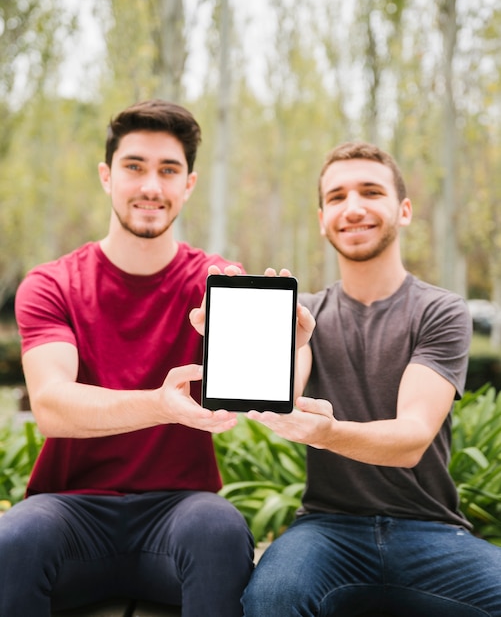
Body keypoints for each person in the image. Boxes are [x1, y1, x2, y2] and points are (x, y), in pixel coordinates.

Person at [0, 99, 254, 617]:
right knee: (13, 540)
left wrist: (283, 343)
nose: (151, 187)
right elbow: (52, 405)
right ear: (107, 176)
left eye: (169, 170)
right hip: (70, 510)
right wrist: (161, 404)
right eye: (134, 167)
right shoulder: (52, 284)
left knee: (220, 529)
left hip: (181, 511)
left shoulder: (215, 281)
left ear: (189, 184)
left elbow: (264, 386)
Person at [241, 142, 501, 616]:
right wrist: (269, 349)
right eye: (337, 197)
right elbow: (283, 399)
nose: (353, 207)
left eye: (370, 191)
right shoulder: (306, 315)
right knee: (272, 597)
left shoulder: (439, 310)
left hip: (433, 531)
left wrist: (330, 433)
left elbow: (411, 438)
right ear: (322, 219)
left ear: (403, 210)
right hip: (326, 530)